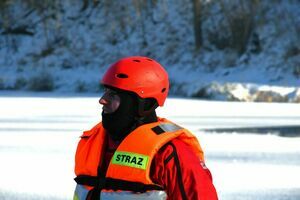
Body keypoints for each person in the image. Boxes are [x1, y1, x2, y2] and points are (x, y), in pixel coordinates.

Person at [73, 56, 218, 200]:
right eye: (105, 91)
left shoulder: (171, 155)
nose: (102, 100)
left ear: (145, 105)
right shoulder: (91, 144)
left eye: (113, 95)